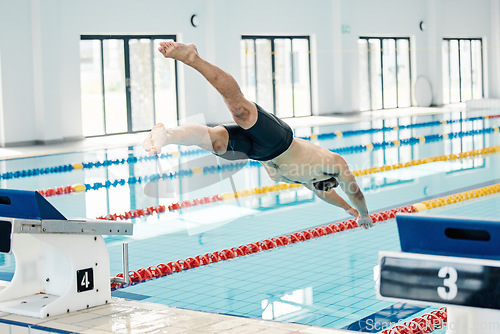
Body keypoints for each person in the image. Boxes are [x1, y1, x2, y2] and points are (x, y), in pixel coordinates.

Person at [143, 41, 373, 229]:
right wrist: (363, 213)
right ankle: (193, 57)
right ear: (329, 180)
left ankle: (168, 135)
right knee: (240, 111)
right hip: (280, 141)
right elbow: (356, 193)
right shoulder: (333, 162)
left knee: (217, 142)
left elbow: (328, 196)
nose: (320, 188)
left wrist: (347, 210)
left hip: (257, 152)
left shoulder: (309, 182)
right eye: (324, 186)